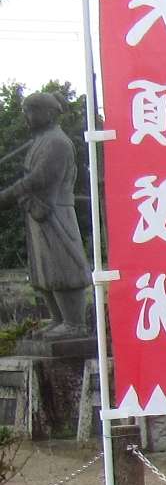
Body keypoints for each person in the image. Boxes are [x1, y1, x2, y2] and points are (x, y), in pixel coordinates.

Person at [0, 91, 91, 337]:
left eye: (31, 111)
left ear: (48, 113)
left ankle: (74, 323)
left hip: (56, 212)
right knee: (44, 270)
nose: (27, 118)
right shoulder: (42, 140)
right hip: (38, 213)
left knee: (63, 266)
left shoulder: (57, 142)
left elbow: (38, 178)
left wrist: (6, 195)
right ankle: (59, 319)